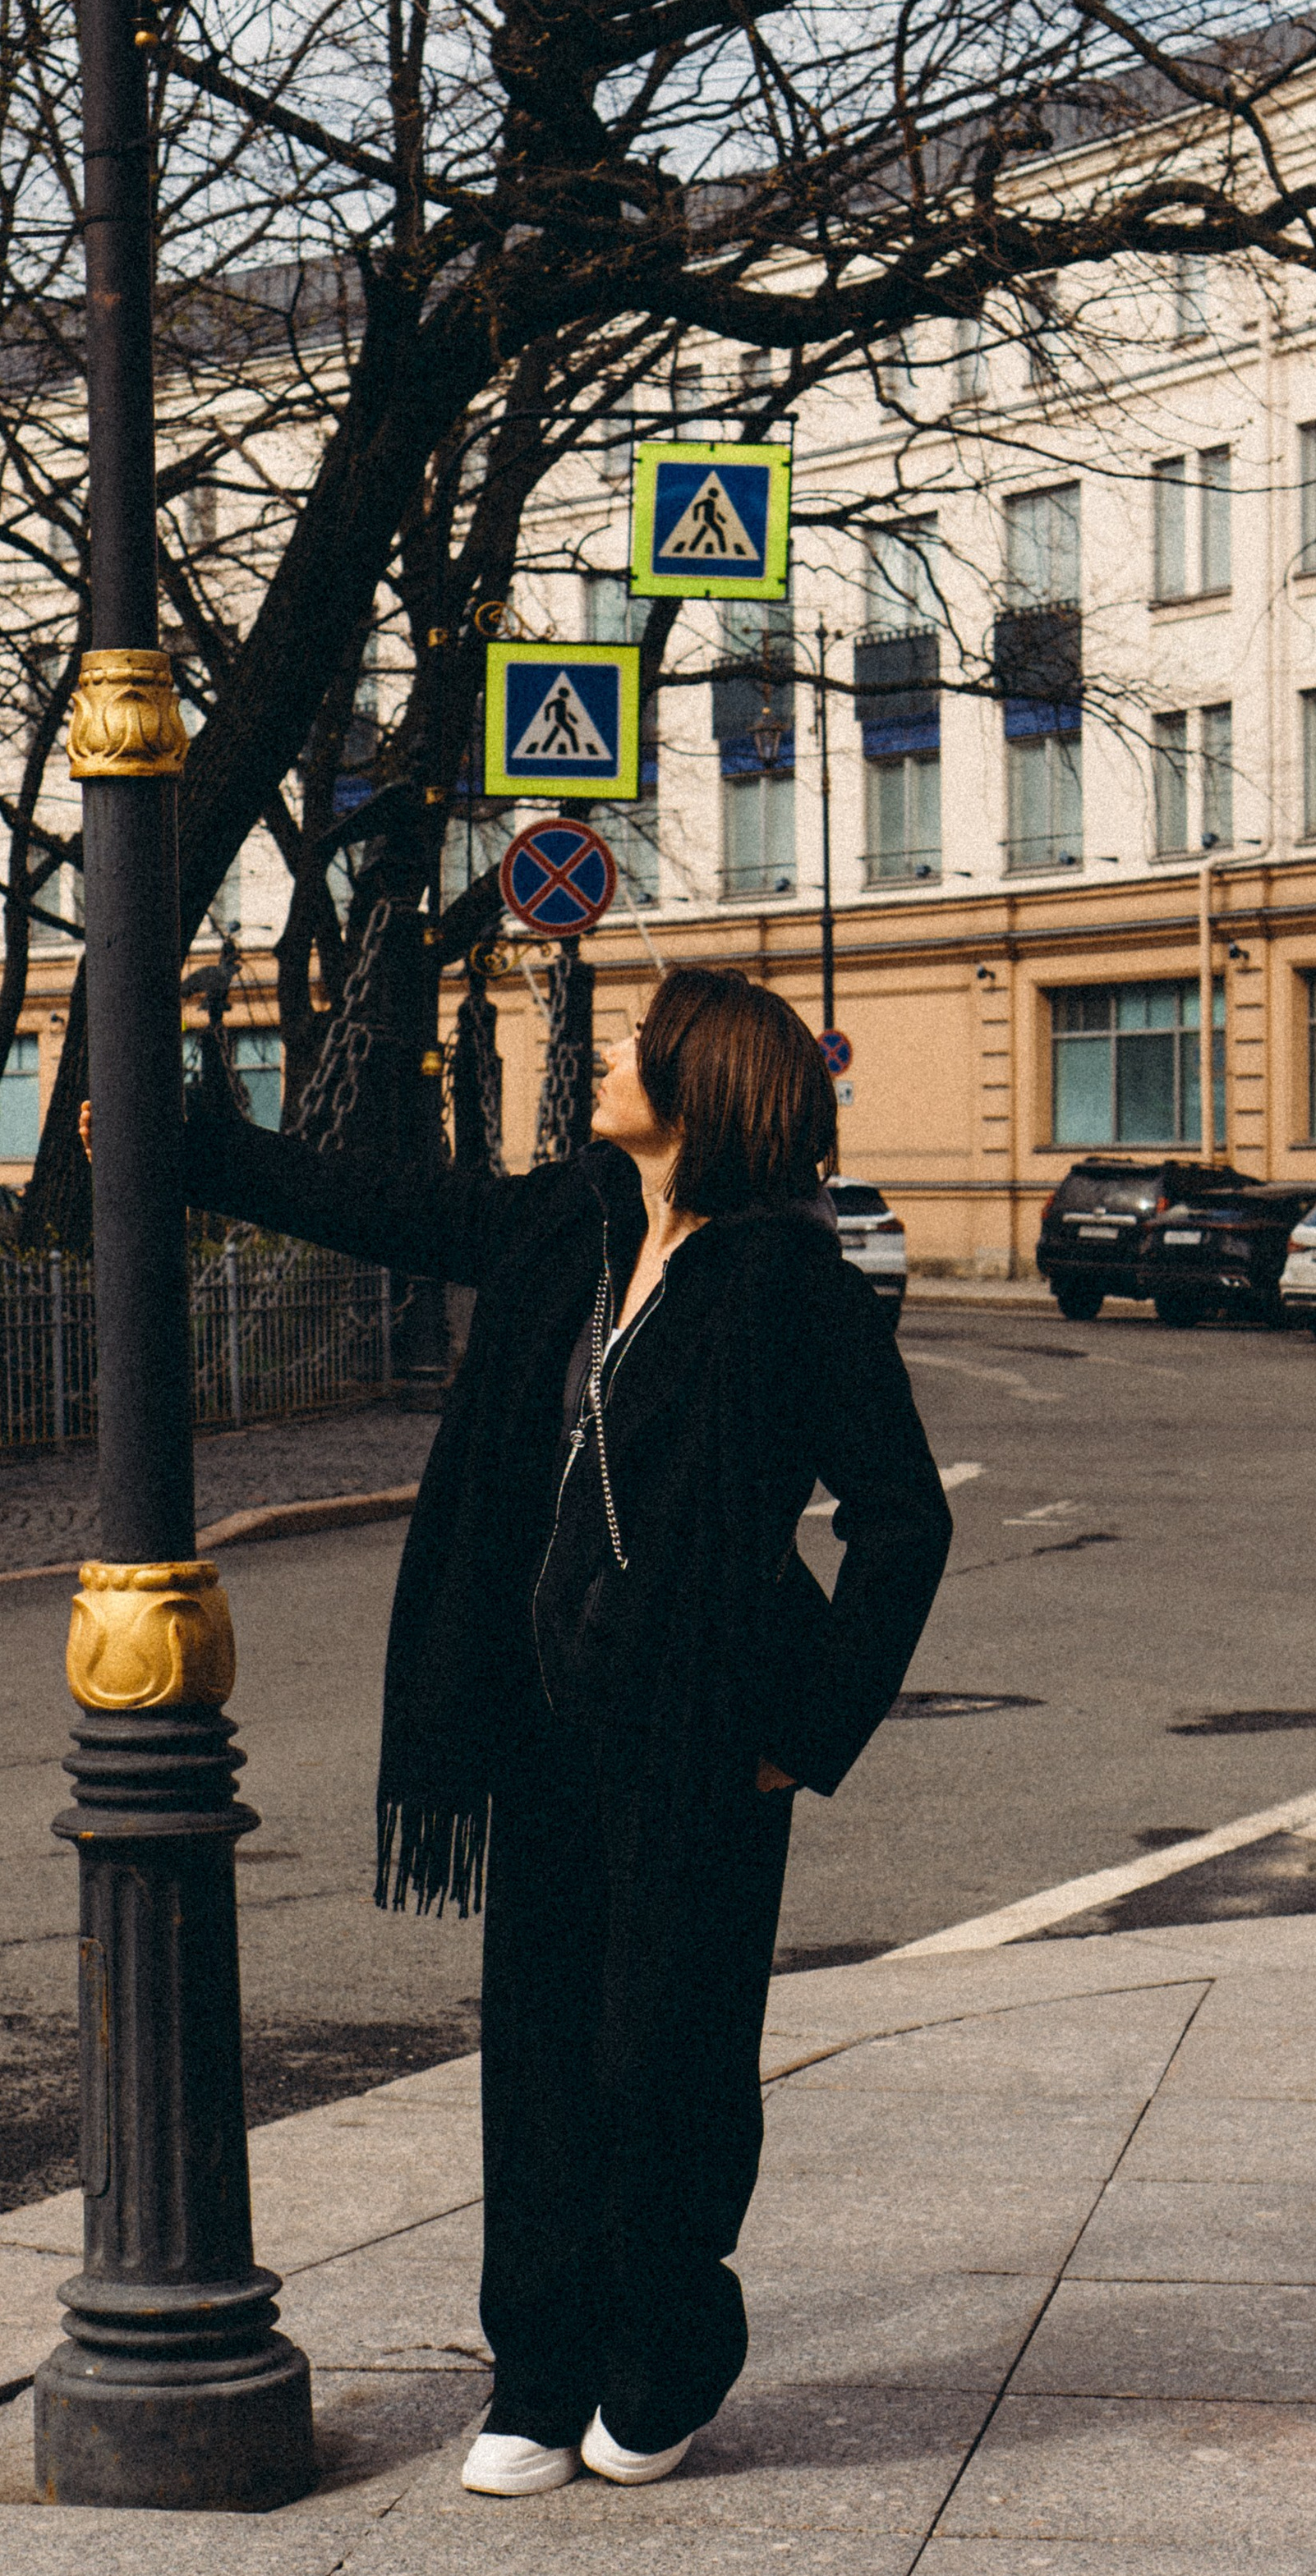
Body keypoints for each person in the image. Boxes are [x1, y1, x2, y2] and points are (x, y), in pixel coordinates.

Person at [173, 967, 952, 2496]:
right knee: (534, 2056)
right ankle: (535, 2374)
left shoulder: (794, 1283)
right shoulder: (576, 1222)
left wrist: (805, 1732)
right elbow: (401, 1207)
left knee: (665, 2059)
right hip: (538, 1722)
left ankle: (663, 2357)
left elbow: (903, 1521)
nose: (601, 1056)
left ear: (698, 1091)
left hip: (704, 1736)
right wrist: (202, 1140)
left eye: (630, 1046)